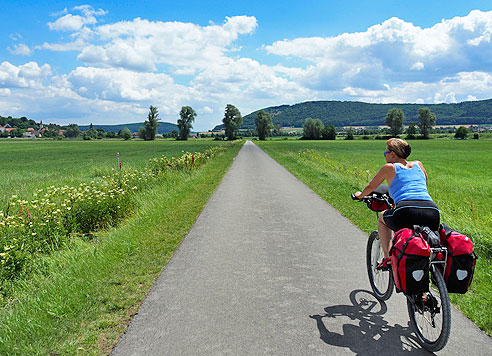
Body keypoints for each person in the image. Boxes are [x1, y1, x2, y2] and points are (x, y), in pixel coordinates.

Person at [354, 138, 439, 269]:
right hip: (432, 210)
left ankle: (388, 259)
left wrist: (359, 195)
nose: (385, 155)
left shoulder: (389, 168)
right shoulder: (419, 164)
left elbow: (371, 187)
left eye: (385, 153)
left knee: (382, 218)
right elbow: (423, 185)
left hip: (406, 210)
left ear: (392, 154)